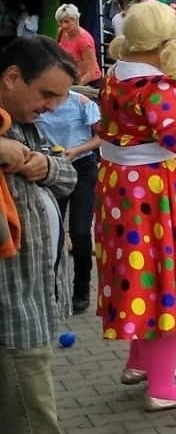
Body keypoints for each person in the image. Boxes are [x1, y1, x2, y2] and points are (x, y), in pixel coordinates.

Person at [0, 36, 119, 434]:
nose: (51, 107)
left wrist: (26, 159)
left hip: (33, 305)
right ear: (11, 78)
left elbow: (67, 175)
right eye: (46, 94)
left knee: (13, 430)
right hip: (11, 315)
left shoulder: (23, 126)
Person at [98, 1, 176, 410]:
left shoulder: (116, 76)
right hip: (157, 197)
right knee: (163, 282)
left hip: (124, 193)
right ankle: (163, 388)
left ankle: (140, 364)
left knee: (140, 276)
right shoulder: (157, 87)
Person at [36, 84, 100, 314]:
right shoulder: (38, 102)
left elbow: (101, 136)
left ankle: (81, 288)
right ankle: (52, 290)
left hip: (82, 167)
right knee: (53, 233)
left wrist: (78, 150)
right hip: (52, 168)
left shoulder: (81, 102)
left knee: (80, 231)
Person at [55, 4, 102, 92]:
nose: (63, 25)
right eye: (60, 22)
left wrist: (75, 89)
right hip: (72, 79)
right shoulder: (61, 32)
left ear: (76, 19)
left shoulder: (84, 40)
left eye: (67, 21)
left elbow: (91, 72)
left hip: (89, 83)